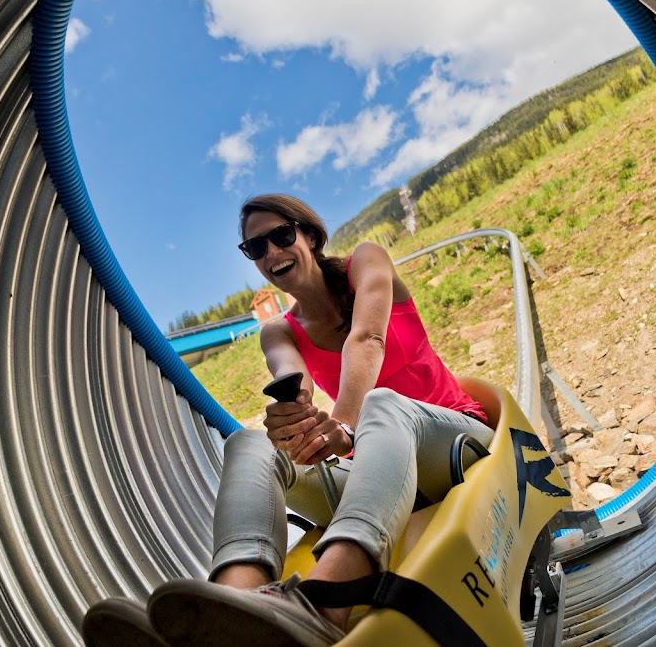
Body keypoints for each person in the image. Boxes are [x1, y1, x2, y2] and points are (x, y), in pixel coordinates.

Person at [83, 194, 494, 647]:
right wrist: (290, 415)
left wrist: (341, 424)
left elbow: (368, 337)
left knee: (382, 401)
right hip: (375, 475)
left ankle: (328, 601)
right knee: (249, 443)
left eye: (281, 236)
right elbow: (288, 374)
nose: (272, 253)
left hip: (449, 444)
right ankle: (233, 607)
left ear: (311, 235)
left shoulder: (367, 261)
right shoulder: (279, 329)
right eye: (255, 248)